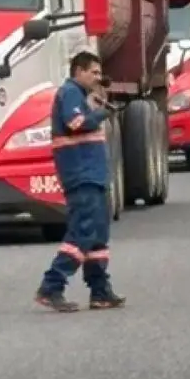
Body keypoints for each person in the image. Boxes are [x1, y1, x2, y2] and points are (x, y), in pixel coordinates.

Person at [35, 50, 126, 313]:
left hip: (93, 175)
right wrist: (102, 113)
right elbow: (76, 123)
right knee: (82, 232)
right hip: (81, 175)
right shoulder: (71, 93)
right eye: (94, 73)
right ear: (79, 71)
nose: (98, 78)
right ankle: (52, 286)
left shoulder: (82, 95)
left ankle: (100, 291)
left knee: (97, 235)